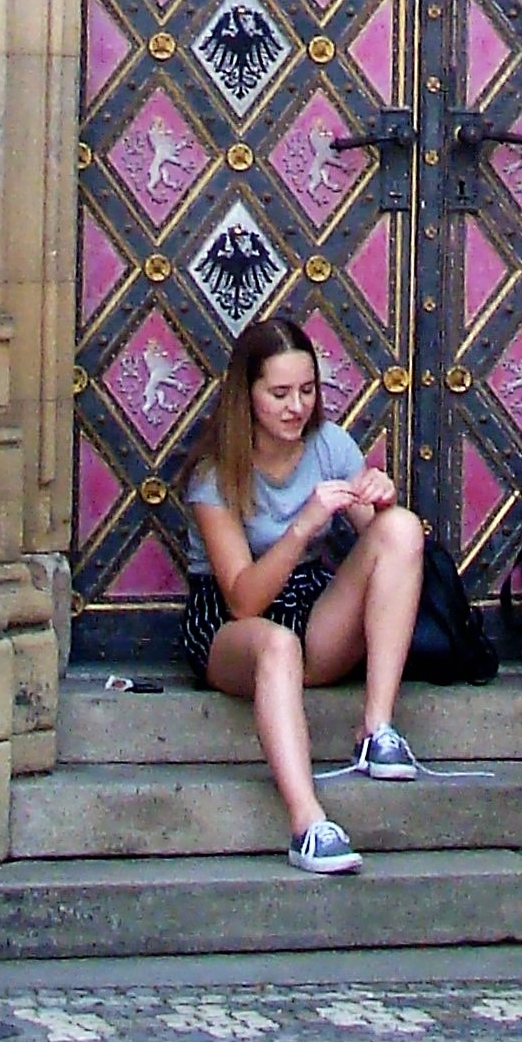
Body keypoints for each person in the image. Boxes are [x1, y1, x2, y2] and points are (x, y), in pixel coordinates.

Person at [180, 315, 428, 874]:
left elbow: (383, 544)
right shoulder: (215, 474)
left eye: (308, 391)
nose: (297, 407)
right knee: (276, 647)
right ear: (248, 396)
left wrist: (380, 501)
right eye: (280, 393)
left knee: (404, 528)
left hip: (311, 607)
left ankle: (377, 729)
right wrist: (304, 525)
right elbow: (244, 599)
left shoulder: (329, 443)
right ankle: (308, 823)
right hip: (233, 622)